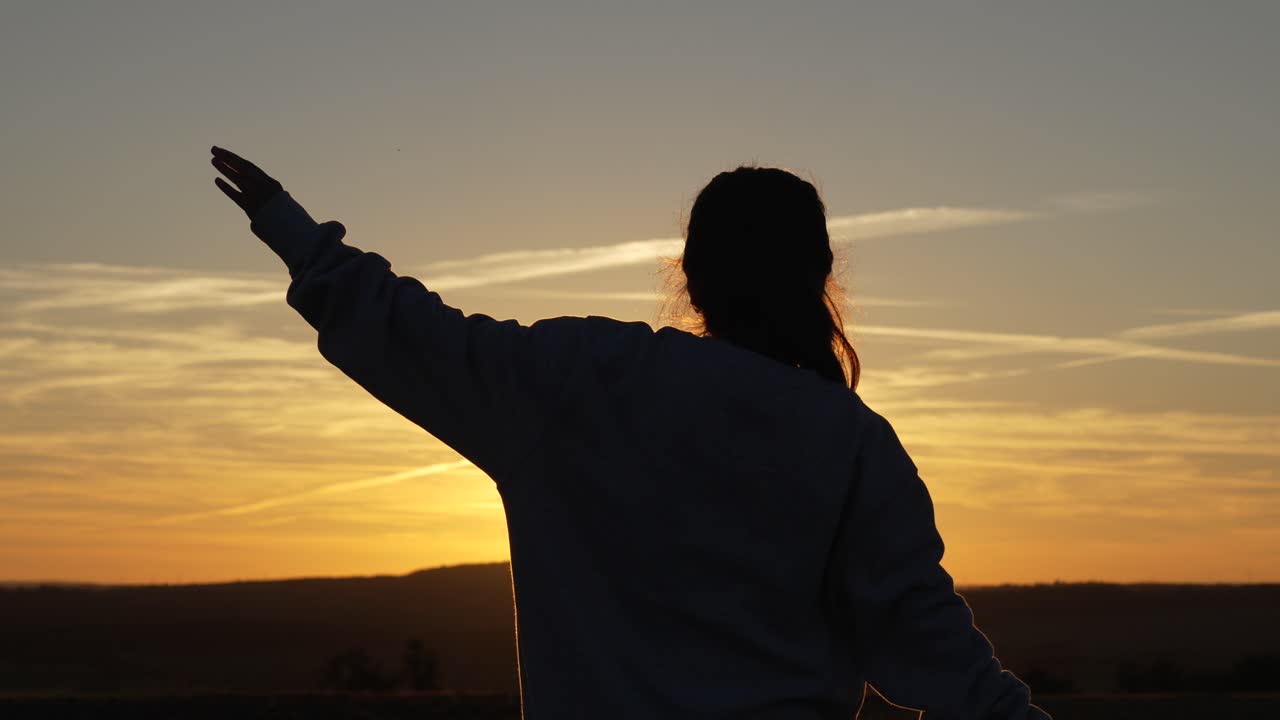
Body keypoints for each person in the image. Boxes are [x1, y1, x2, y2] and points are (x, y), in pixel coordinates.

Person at [211, 145, 1052, 720]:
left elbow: (417, 334)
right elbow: (932, 652)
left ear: (688, 275)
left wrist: (293, 230)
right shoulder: (852, 444)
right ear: (822, 276)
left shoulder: (579, 379)